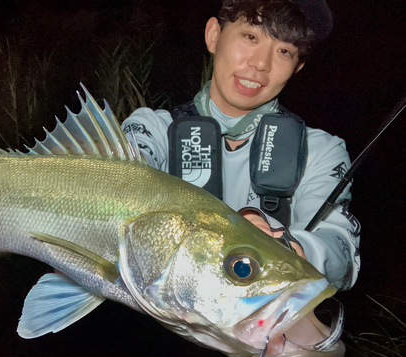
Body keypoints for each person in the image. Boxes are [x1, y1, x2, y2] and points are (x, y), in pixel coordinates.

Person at [121, 0, 360, 290]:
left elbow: (341, 254)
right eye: (250, 37)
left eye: (284, 51)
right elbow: (119, 185)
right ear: (213, 35)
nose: (261, 63)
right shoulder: (152, 129)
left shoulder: (320, 151)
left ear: (297, 67)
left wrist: (289, 245)